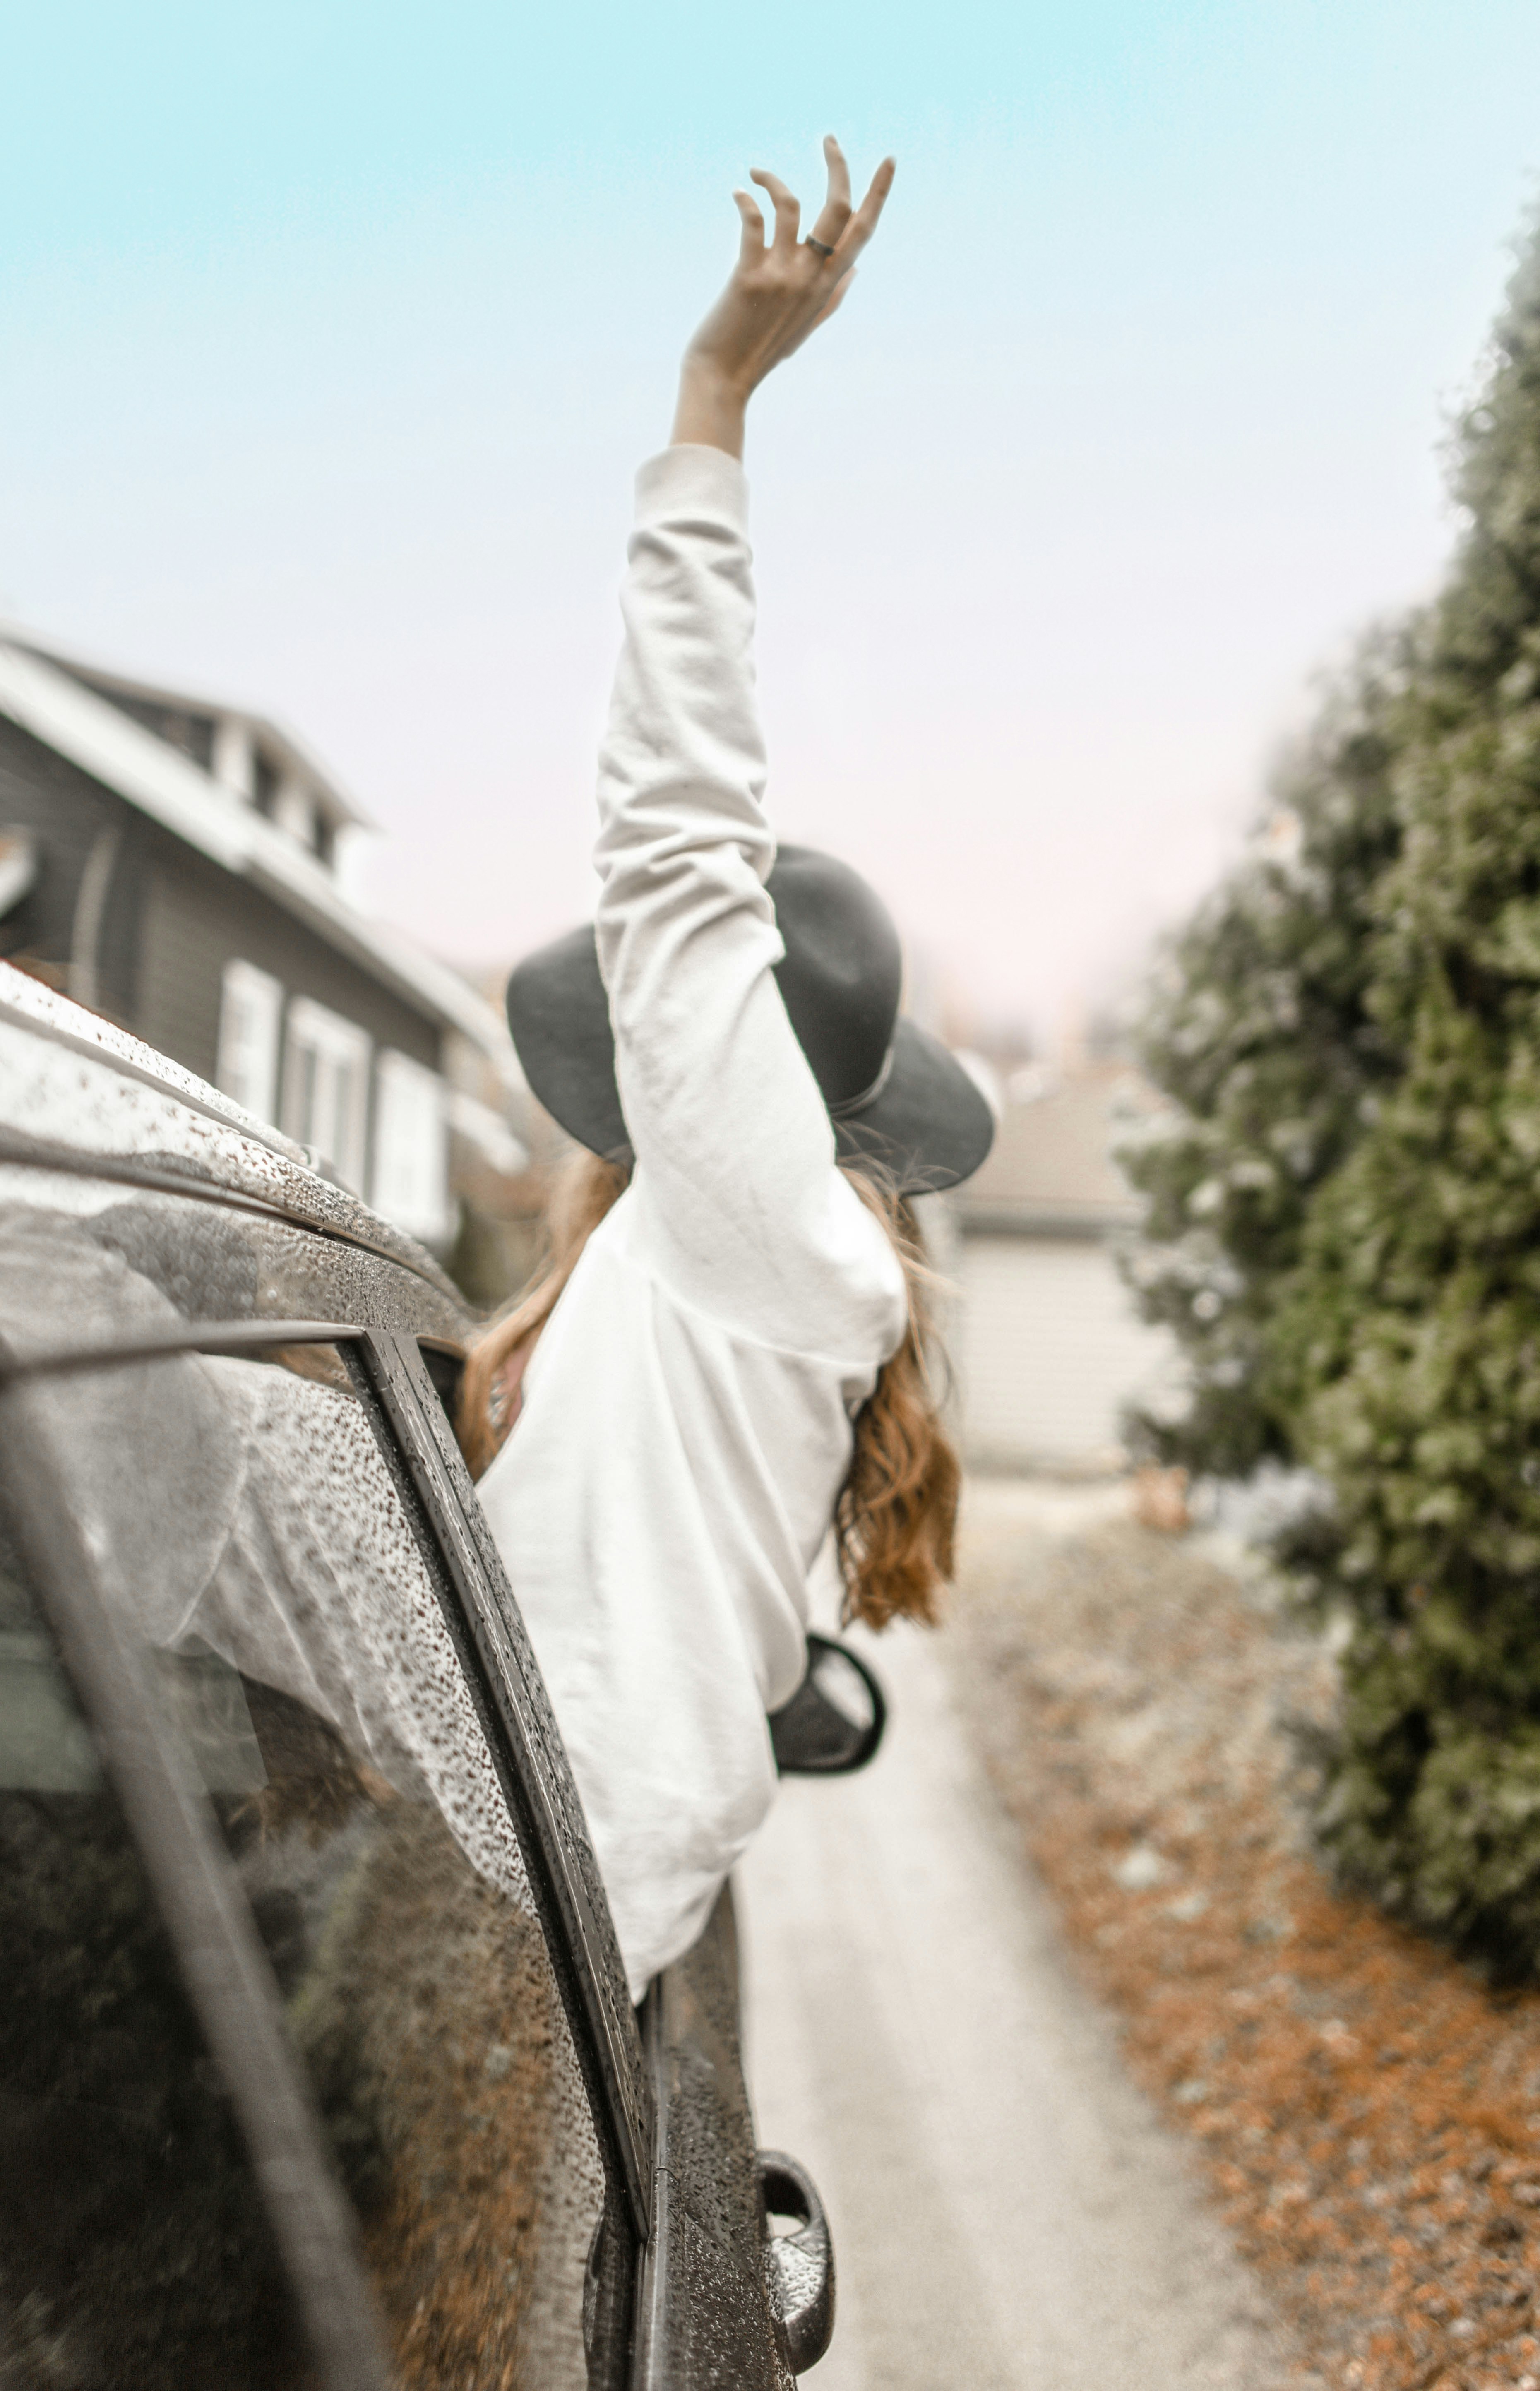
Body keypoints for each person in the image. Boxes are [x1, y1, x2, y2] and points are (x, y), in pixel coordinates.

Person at [459, 138, 995, 2003]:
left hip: (528, 1893)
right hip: (530, 1863)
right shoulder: (733, 1291)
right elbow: (706, 1609)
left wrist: (714, 404)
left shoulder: (765, 1242)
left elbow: (682, 843)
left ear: (729, 1080)